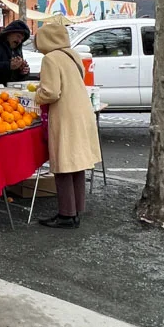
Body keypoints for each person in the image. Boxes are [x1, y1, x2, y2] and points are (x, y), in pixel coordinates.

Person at [34, 21, 101, 229]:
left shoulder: (50, 59)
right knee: (77, 162)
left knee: (63, 164)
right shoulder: (73, 55)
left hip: (65, 115)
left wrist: (36, 95)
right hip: (82, 111)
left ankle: (66, 214)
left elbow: (51, 92)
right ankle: (77, 208)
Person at [0, 19, 31, 85]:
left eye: (22, 39)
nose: (19, 41)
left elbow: (16, 77)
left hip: (11, 89)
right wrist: (9, 66)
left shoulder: (17, 48)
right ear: (9, 33)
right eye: (18, 36)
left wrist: (22, 72)